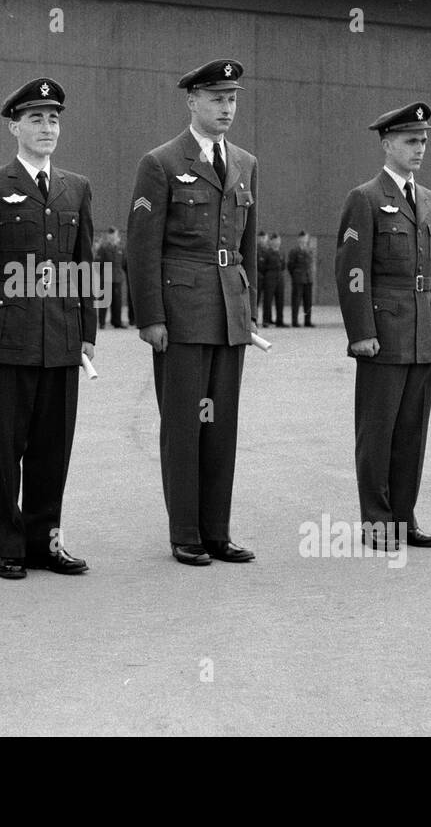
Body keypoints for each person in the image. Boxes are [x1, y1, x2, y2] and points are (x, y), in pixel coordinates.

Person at [0, 77, 95, 579]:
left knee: (54, 447)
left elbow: (84, 263)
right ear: (15, 127)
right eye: (36, 119)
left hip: (61, 338)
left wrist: (88, 333)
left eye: (53, 119)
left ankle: (46, 542)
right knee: (7, 447)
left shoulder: (76, 187)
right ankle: (11, 546)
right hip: (7, 338)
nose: (47, 128)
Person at [126, 58, 258, 566]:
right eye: (216, 99)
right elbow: (142, 247)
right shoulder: (160, 163)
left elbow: (244, 246)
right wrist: (150, 317)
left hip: (230, 309)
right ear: (192, 102)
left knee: (220, 424)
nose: (226, 108)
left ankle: (217, 531)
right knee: (183, 423)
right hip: (181, 311)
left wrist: (248, 311)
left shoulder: (245, 162)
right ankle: (185, 532)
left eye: (232, 99)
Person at [334, 102, 431, 550]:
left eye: (423, 140)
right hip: (384, 330)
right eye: (409, 141)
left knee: (411, 432)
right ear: (386, 144)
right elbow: (351, 270)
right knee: (377, 432)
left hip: (420, 332)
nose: (419, 148)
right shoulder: (365, 198)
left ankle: (404, 517)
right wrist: (361, 331)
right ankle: (377, 521)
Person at [95, 227, 126, 328]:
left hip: (117, 277)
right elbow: (97, 264)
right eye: (110, 234)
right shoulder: (103, 248)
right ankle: (102, 322)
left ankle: (117, 322)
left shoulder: (120, 248)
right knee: (104, 300)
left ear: (117, 235)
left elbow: (124, 262)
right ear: (108, 236)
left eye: (114, 234)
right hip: (106, 277)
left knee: (117, 302)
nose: (112, 236)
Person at [258, 230, 287, 327]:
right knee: (268, 299)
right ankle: (266, 320)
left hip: (280, 277)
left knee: (280, 300)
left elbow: (283, 265)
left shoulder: (281, 252)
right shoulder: (267, 252)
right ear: (271, 241)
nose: (277, 242)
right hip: (269, 277)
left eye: (278, 240)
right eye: (275, 240)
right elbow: (262, 266)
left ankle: (280, 320)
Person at [287, 230, 314, 326]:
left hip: (308, 278)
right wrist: (295, 275)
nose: (304, 240)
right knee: (296, 301)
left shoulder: (309, 250)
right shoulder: (294, 251)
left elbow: (310, 264)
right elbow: (290, 266)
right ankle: (295, 321)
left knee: (308, 301)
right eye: (302, 238)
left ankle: (307, 321)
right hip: (298, 279)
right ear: (299, 239)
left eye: (305, 238)